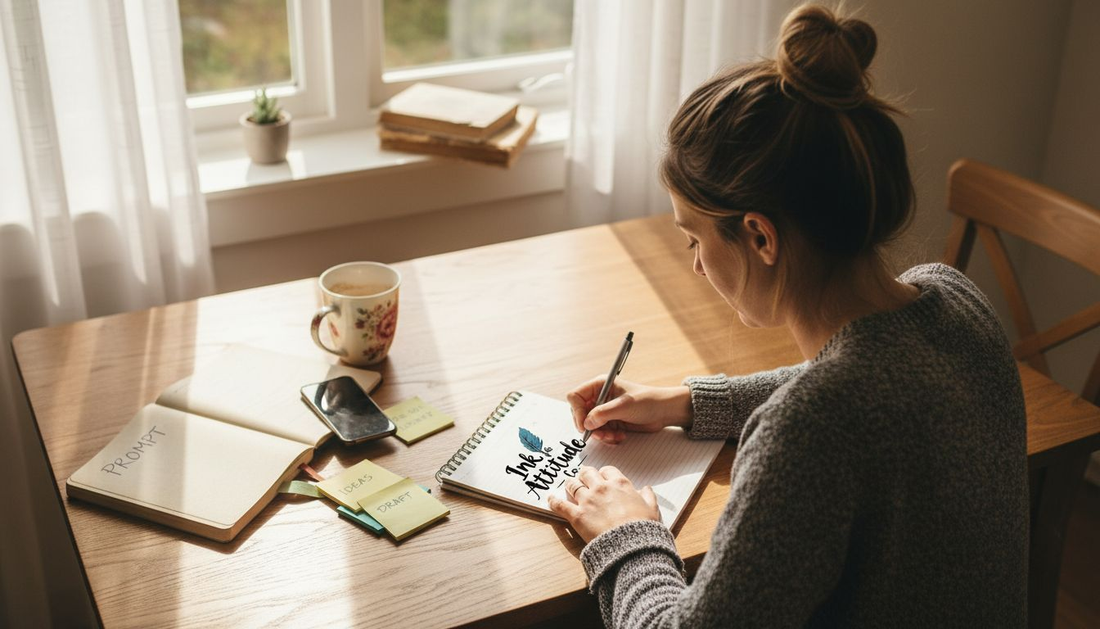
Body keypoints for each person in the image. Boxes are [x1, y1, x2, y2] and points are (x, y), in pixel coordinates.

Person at [546, 4, 1028, 627]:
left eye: (695, 241)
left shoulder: (806, 433)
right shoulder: (954, 299)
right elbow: (861, 386)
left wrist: (629, 533)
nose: (695, 266)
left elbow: (827, 408)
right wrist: (687, 403)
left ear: (760, 238)